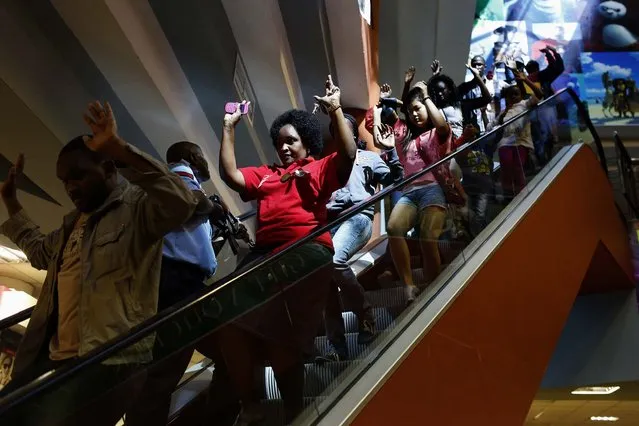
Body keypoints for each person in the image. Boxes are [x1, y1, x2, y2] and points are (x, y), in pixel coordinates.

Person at [0, 102, 199, 426]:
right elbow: (38, 252)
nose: (71, 187)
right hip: (50, 359)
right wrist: (11, 202)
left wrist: (120, 149)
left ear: (108, 168)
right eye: (65, 180)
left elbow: (181, 201)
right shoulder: (71, 224)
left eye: (79, 175)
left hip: (107, 361)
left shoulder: (135, 209)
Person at [214, 75, 356, 424]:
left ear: (307, 143)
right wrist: (229, 127)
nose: (284, 148)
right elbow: (230, 175)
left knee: (277, 329)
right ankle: (252, 406)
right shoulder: (266, 174)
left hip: (306, 249)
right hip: (265, 254)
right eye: (279, 143)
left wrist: (336, 110)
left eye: (291, 141)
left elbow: (349, 154)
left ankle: (295, 411)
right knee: (227, 322)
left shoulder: (319, 167)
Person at [126, 141, 222, 426]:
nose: (205, 161)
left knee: (163, 371)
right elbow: (186, 202)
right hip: (176, 281)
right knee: (162, 373)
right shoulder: (179, 176)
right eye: (202, 155)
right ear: (192, 156)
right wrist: (210, 208)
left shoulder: (185, 182)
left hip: (183, 282)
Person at [318, 113, 403, 363]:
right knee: (324, 277)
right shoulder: (328, 163)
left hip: (357, 219)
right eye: (336, 129)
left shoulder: (367, 158)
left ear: (354, 135)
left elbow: (396, 179)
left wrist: (392, 151)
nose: (340, 133)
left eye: (345, 129)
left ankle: (366, 317)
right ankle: (337, 347)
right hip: (330, 223)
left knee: (334, 261)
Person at [366, 81, 453, 303]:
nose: (414, 114)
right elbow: (378, 137)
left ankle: (433, 287)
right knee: (394, 227)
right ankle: (408, 286)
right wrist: (378, 110)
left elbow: (443, 126)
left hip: (433, 189)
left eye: (418, 108)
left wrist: (425, 96)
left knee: (427, 237)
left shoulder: (435, 133)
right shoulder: (403, 135)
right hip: (409, 192)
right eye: (411, 110)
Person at [491, 71, 544, 198]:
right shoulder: (504, 111)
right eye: (511, 95)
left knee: (518, 169)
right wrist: (504, 113)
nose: (514, 96)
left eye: (516, 94)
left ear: (521, 95)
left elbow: (540, 94)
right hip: (505, 143)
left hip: (521, 142)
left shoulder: (525, 104)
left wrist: (526, 80)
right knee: (507, 170)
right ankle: (508, 196)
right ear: (507, 97)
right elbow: (493, 126)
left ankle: (521, 197)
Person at [525, 45, 564, 164]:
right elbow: (556, 68)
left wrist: (551, 52)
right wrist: (550, 52)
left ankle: (543, 159)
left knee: (539, 137)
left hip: (533, 112)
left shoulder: (526, 79)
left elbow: (556, 68)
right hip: (543, 111)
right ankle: (545, 159)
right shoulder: (540, 76)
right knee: (544, 136)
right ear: (537, 68)